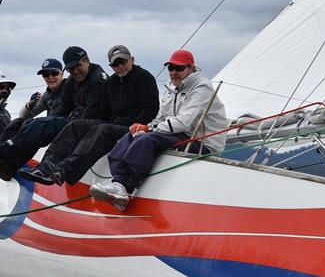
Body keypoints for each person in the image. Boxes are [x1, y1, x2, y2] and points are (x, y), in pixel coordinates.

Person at [90, 49, 227, 211]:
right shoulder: (172, 88)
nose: (174, 72)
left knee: (148, 139)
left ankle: (128, 188)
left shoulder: (202, 87)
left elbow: (184, 121)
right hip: (180, 135)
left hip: (202, 142)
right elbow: (160, 118)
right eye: (170, 68)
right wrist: (144, 128)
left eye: (179, 68)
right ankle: (118, 182)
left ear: (191, 69)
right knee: (132, 135)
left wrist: (150, 128)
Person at [18, 44, 159, 186]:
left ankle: (64, 170)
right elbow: (104, 112)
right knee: (76, 125)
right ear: (111, 66)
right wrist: (89, 126)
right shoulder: (111, 82)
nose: (119, 66)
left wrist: (138, 125)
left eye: (122, 61)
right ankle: (46, 167)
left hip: (133, 127)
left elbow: (151, 108)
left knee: (102, 130)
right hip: (113, 123)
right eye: (115, 64)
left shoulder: (144, 78)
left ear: (132, 60)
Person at [0, 48, 108, 181]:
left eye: (54, 73)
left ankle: (11, 159)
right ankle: (4, 161)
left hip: (91, 123)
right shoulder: (64, 85)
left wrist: (51, 124)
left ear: (87, 61)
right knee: (24, 122)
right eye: (70, 68)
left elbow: (91, 115)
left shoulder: (97, 80)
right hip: (74, 120)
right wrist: (36, 116)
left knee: (43, 124)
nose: (74, 71)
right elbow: (64, 108)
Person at [0, 57, 69, 142]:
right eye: (46, 74)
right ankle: (1, 149)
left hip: (67, 129)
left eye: (54, 73)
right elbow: (24, 116)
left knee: (38, 123)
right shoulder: (47, 95)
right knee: (18, 122)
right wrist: (30, 105)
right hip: (52, 132)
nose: (50, 77)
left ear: (62, 74)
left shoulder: (70, 87)